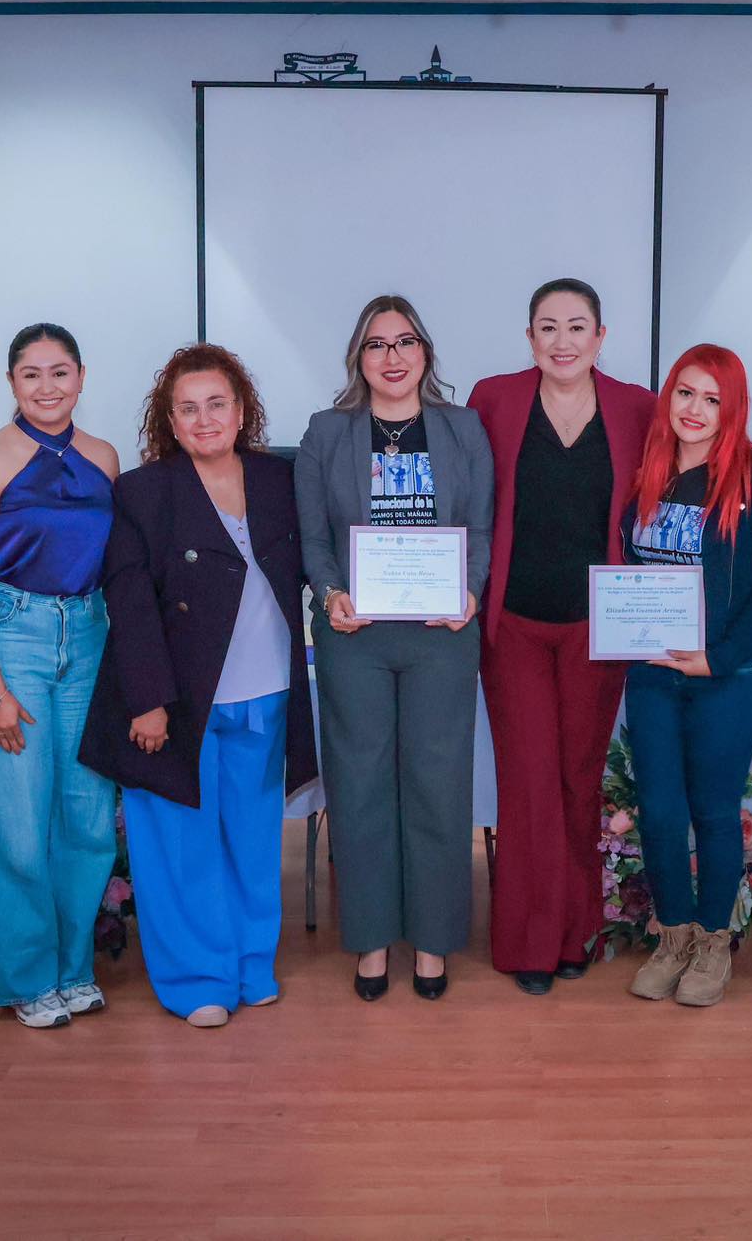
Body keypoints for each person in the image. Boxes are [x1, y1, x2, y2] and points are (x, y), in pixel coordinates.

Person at [79, 345, 317, 1028]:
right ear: (170, 420)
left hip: (267, 692)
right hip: (179, 700)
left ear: (241, 412)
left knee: (252, 840)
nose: (204, 419)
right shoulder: (143, 492)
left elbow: (318, 562)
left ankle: (251, 965)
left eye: (217, 404)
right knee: (179, 846)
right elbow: (129, 602)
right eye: (188, 408)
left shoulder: (279, 480)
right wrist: (147, 699)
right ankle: (196, 981)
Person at [296, 295, 493, 1001]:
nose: (392, 356)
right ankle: (372, 938)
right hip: (355, 635)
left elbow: (481, 527)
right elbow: (313, 535)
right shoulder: (327, 432)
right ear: (359, 357)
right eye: (377, 344)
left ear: (425, 352)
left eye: (405, 341)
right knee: (361, 786)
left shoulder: (463, 428)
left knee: (439, 785)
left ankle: (433, 942)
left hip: (443, 634)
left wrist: (471, 590)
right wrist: (330, 593)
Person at [467, 278, 655, 995]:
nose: (563, 341)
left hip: (596, 630)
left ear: (601, 338)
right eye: (548, 327)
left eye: (577, 327)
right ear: (529, 338)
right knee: (529, 783)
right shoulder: (493, 400)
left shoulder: (638, 407)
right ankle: (528, 943)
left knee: (580, 779)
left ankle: (578, 932)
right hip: (513, 626)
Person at [0, 324, 120, 1029]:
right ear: (11, 382)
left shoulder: (104, 457)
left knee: (87, 818)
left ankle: (74, 969)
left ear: (81, 376)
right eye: (31, 374)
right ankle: (27, 979)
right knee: (18, 823)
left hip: (88, 636)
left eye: (59, 372)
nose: (47, 387)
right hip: (11, 634)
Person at [619, 344, 752, 1008]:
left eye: (712, 399)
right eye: (685, 393)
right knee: (661, 812)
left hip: (728, 676)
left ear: (732, 408)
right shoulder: (650, 467)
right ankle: (673, 939)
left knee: (715, 812)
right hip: (652, 673)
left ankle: (714, 943)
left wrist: (717, 656)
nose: (695, 409)